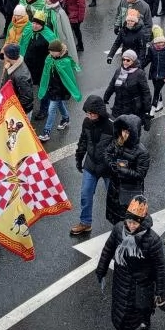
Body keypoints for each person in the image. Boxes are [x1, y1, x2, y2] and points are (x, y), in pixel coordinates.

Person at [95, 196, 165, 330]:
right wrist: (101, 270)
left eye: (135, 223)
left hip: (143, 283)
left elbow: (160, 268)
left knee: (144, 306)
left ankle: (146, 318)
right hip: (121, 280)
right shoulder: (118, 229)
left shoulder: (152, 240)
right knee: (123, 315)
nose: (131, 225)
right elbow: (108, 249)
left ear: (142, 221)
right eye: (129, 222)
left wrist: (161, 293)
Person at [72, 95, 112, 236]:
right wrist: (79, 158)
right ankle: (85, 223)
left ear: (99, 112)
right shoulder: (87, 122)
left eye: (92, 113)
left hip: (108, 168)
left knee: (114, 197)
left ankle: (121, 225)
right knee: (85, 194)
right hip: (91, 164)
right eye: (87, 113)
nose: (89, 116)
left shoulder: (112, 124)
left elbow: (119, 148)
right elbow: (83, 140)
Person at [104, 115, 151, 224]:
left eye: (128, 132)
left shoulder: (142, 152)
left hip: (130, 190)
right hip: (115, 186)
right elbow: (107, 153)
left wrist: (122, 170)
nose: (125, 134)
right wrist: (112, 164)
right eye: (123, 131)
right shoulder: (118, 141)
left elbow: (140, 174)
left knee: (129, 220)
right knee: (115, 218)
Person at [37, 39, 82, 141]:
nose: (51, 53)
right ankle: (65, 119)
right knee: (60, 104)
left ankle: (46, 132)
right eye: (50, 51)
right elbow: (46, 73)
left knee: (51, 110)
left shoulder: (65, 62)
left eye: (53, 51)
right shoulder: (49, 58)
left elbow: (69, 78)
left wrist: (71, 89)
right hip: (52, 88)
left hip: (60, 90)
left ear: (59, 51)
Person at [103, 49, 152, 132]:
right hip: (118, 106)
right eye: (123, 59)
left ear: (133, 61)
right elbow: (112, 85)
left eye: (128, 60)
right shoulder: (118, 71)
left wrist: (147, 110)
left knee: (132, 130)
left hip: (133, 108)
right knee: (117, 128)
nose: (125, 62)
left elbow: (146, 92)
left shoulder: (139, 73)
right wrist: (106, 97)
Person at [145, 27, 165, 112]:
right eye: (157, 43)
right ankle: (160, 104)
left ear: (164, 42)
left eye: (161, 42)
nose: (159, 44)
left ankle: (152, 109)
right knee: (157, 88)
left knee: (156, 90)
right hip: (154, 73)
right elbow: (148, 59)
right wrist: (140, 66)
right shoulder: (152, 49)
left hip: (164, 75)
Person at [0, 43, 34, 114]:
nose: (4, 56)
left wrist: (15, 109)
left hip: (21, 110)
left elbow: (27, 97)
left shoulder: (21, 76)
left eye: (5, 54)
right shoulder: (11, 65)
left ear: (9, 56)